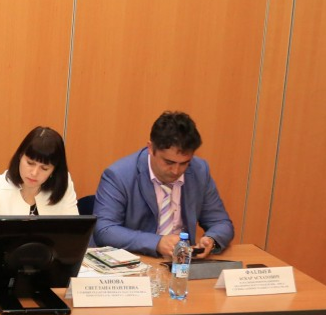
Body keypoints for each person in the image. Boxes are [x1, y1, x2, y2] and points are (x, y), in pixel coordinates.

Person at [92, 110, 234, 258]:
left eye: (184, 163)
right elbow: (104, 230)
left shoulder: (199, 171)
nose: (176, 171)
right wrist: (156, 242)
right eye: (169, 162)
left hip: (182, 263)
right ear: (150, 148)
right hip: (139, 260)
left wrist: (211, 239)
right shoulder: (119, 175)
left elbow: (221, 222)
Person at [0, 126, 78, 247]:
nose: (34, 173)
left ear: (54, 170)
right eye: (30, 163)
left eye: (44, 168)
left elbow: (75, 236)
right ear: (20, 156)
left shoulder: (63, 185)